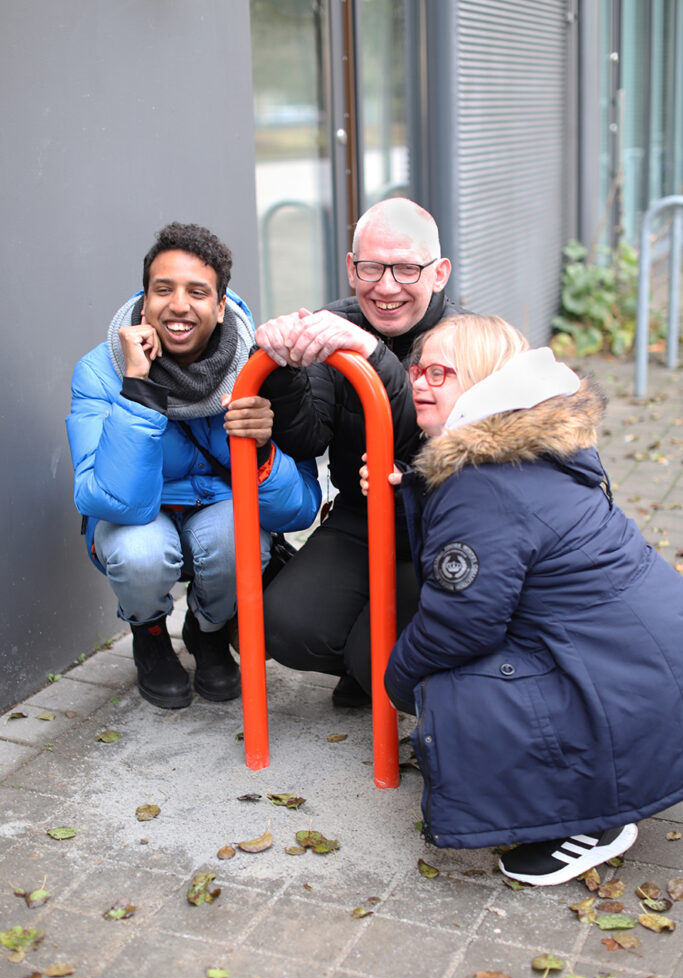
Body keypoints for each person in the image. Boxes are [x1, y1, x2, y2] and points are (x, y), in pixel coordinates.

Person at [370, 313, 683, 886]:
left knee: (444, 688)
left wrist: (396, 682)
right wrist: (410, 489)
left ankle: (593, 820)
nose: (419, 381)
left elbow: (460, 624)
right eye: (418, 368)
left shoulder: (479, 482)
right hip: (650, 662)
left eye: (441, 372)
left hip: (630, 686)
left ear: (484, 382)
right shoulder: (519, 450)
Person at [67, 223, 320, 711]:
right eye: (163, 289)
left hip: (217, 508)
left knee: (237, 534)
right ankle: (151, 633)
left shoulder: (260, 368)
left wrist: (262, 449)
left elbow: (300, 510)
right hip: (141, 512)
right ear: (145, 301)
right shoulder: (101, 370)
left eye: (197, 292)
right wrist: (137, 389)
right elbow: (107, 500)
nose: (178, 305)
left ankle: (206, 630)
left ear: (220, 306)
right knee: (139, 551)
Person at [255, 198, 465, 707]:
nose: (387, 286)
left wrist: (371, 356)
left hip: (440, 526)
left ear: (439, 274)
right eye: (371, 267)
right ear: (352, 269)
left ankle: (378, 668)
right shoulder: (335, 323)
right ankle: (361, 662)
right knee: (284, 626)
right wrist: (282, 366)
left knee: (384, 656)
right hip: (360, 515)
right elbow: (308, 438)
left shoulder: (464, 341)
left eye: (406, 269)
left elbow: (421, 438)